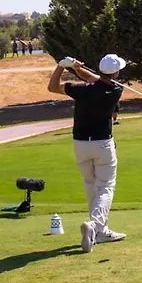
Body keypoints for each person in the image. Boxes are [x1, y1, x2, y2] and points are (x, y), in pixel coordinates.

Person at [48, 54, 129, 253]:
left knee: (90, 185)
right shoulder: (116, 89)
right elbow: (98, 80)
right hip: (103, 144)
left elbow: (53, 87)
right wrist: (76, 69)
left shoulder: (82, 89)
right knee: (106, 187)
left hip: (81, 144)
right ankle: (95, 225)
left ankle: (100, 232)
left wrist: (62, 66)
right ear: (116, 73)